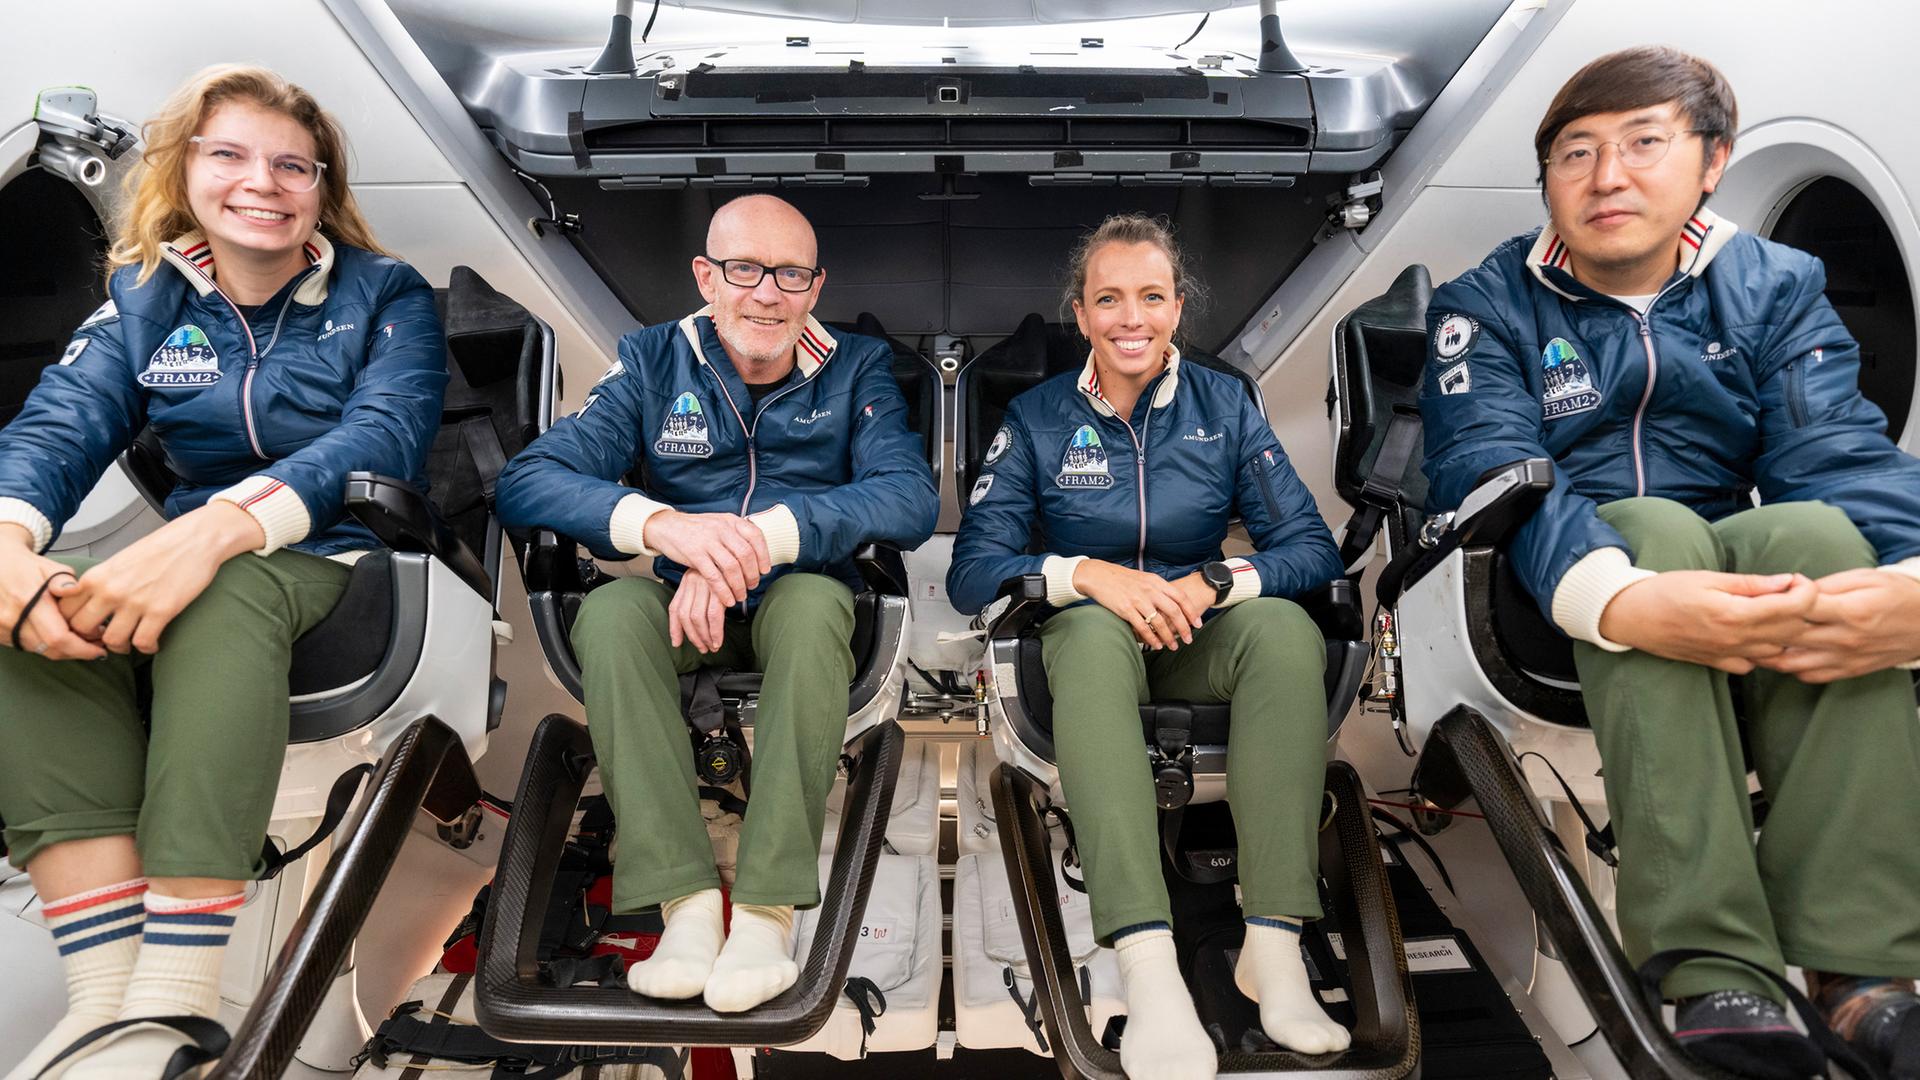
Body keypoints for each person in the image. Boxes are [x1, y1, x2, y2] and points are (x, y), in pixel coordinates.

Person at [1419, 45, 1920, 1080]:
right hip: (1558, 570)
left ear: (1711, 161)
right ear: (1548, 178)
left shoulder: (1774, 283)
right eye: (1576, 153)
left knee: (1820, 540)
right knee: (1648, 529)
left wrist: (1912, 583)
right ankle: (1711, 962)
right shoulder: (1489, 303)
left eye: (1643, 143)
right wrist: (1627, 598)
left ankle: (1864, 968)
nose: (1607, 176)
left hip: (1732, 554)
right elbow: (1498, 469)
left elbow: (1835, 452)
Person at [0, 64, 447, 1079]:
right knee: (30, 610)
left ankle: (173, 998)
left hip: (335, 559)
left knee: (224, 588)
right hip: (194, 564)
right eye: (233, 155)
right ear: (187, 170)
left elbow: (382, 436)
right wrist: (9, 544)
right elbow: (60, 425)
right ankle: (105, 1000)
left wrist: (211, 535)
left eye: (294, 164)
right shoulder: (147, 300)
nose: (265, 181)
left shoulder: (386, 294)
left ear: (321, 186)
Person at [495, 194, 938, 1013]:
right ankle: (688, 909)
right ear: (707, 275)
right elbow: (528, 481)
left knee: (812, 608)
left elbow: (909, 497)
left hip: (798, 593)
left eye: (791, 274)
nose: (767, 293)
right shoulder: (653, 360)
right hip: (675, 605)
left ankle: (765, 917)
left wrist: (750, 541)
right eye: (745, 270)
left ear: (815, 286)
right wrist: (672, 531)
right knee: (611, 614)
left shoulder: (858, 367)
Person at [947, 213, 1350, 1080]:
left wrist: (1215, 581)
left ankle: (1274, 947)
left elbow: (1312, 550)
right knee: (1091, 635)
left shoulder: (1225, 405)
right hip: (1090, 637)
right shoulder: (1037, 418)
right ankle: (1149, 963)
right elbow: (972, 571)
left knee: (1282, 626)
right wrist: (1086, 574)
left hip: (1196, 628)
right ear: (1081, 313)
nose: (1133, 319)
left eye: (1153, 297)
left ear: (1178, 308)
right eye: (1110, 300)